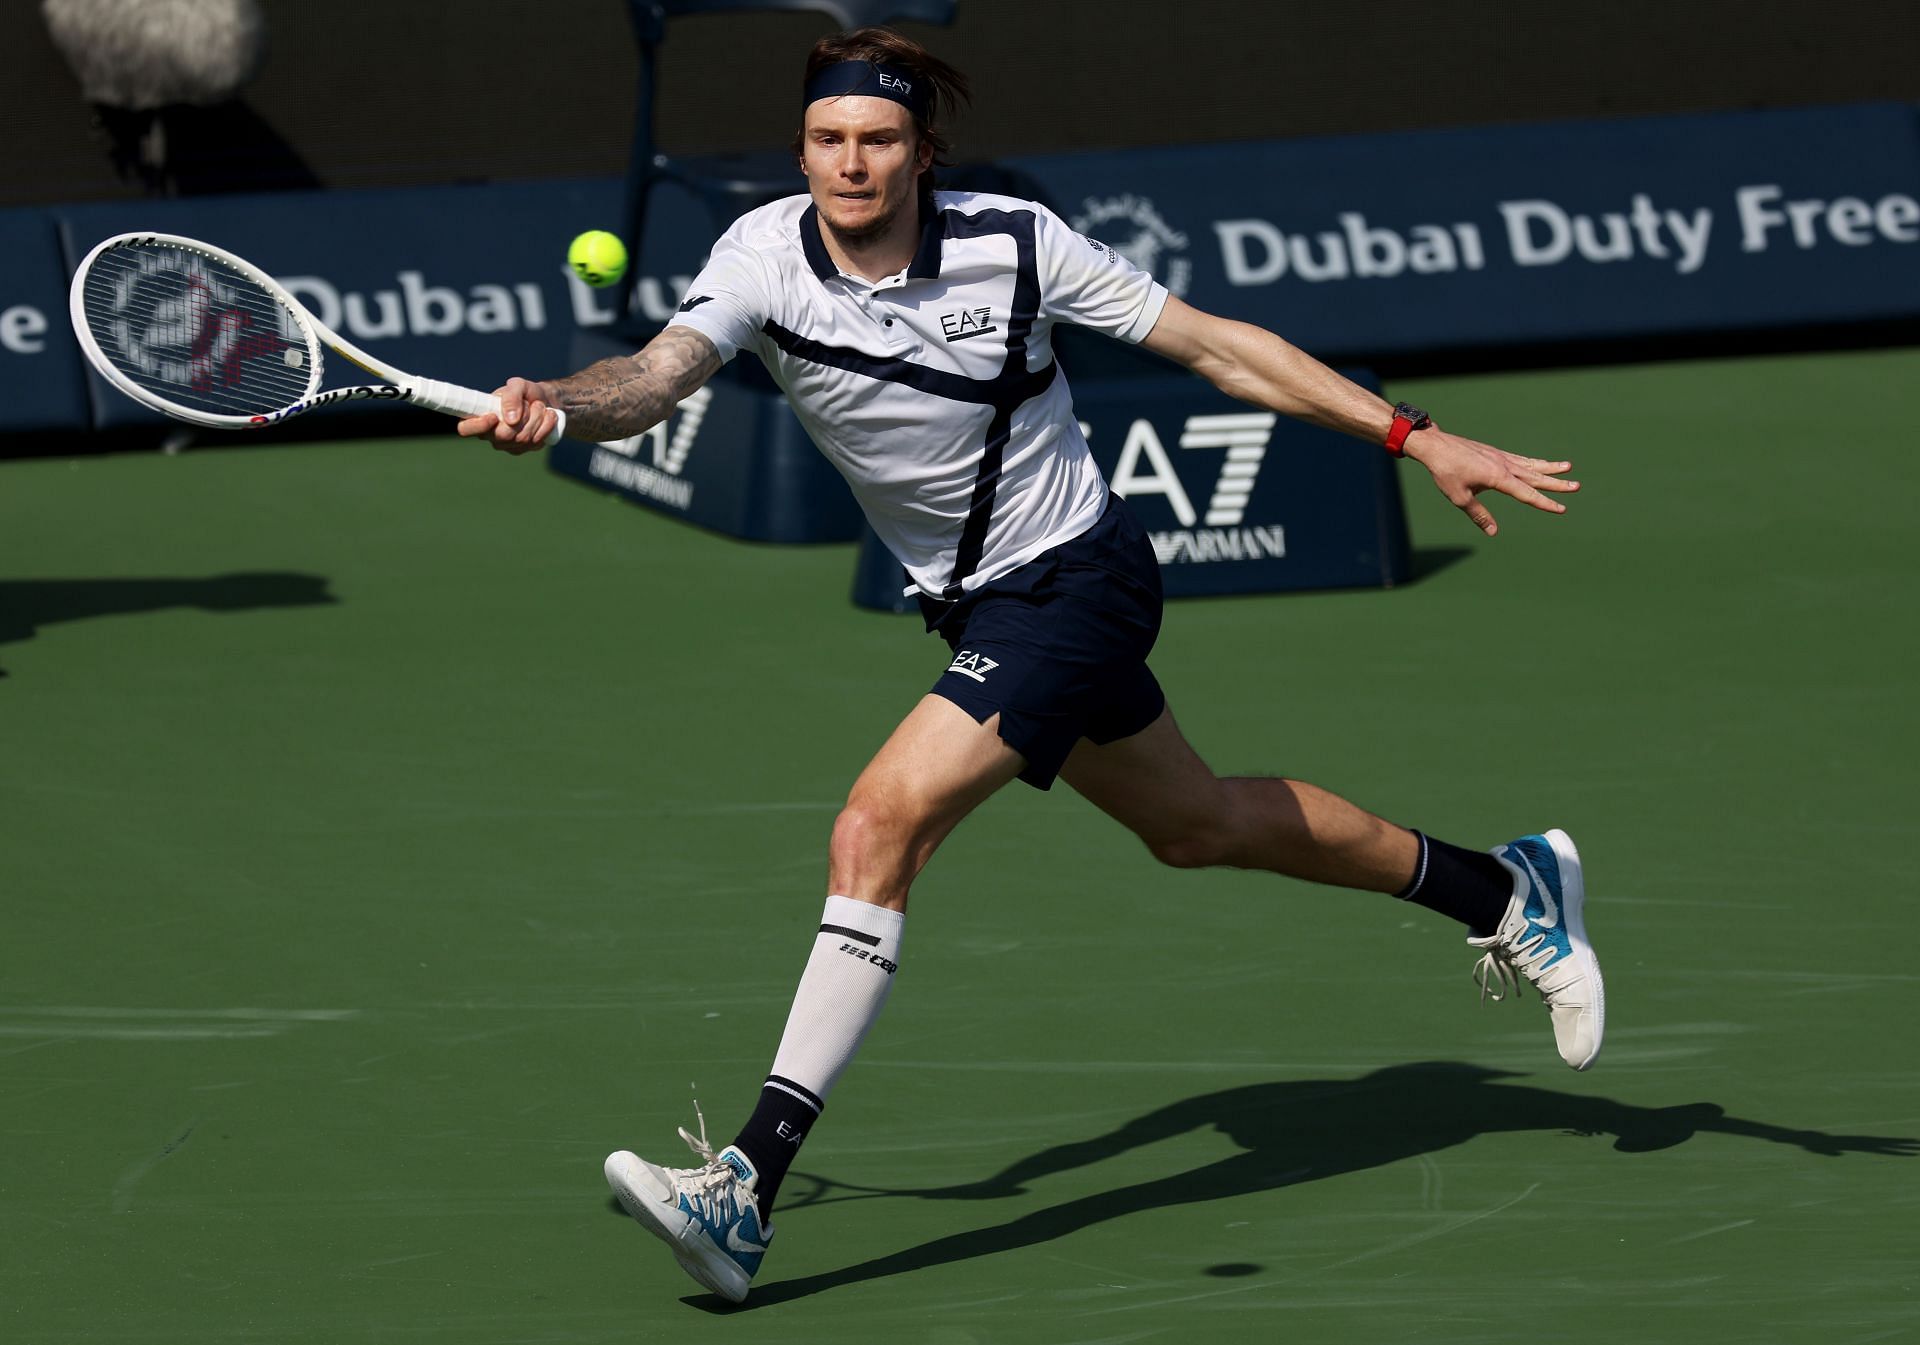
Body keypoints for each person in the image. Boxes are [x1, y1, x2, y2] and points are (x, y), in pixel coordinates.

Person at [457, 27, 1604, 1305]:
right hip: (973, 608)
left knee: (877, 824)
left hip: (1076, 580)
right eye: (829, 141)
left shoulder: (1015, 243)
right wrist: (558, 400)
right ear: (800, 153)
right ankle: (1503, 890)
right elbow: (655, 377)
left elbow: (1220, 346)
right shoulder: (759, 255)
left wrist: (1413, 434)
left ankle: (744, 1189)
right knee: (1201, 823)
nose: (853, 164)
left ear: (921, 154)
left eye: (879, 140)